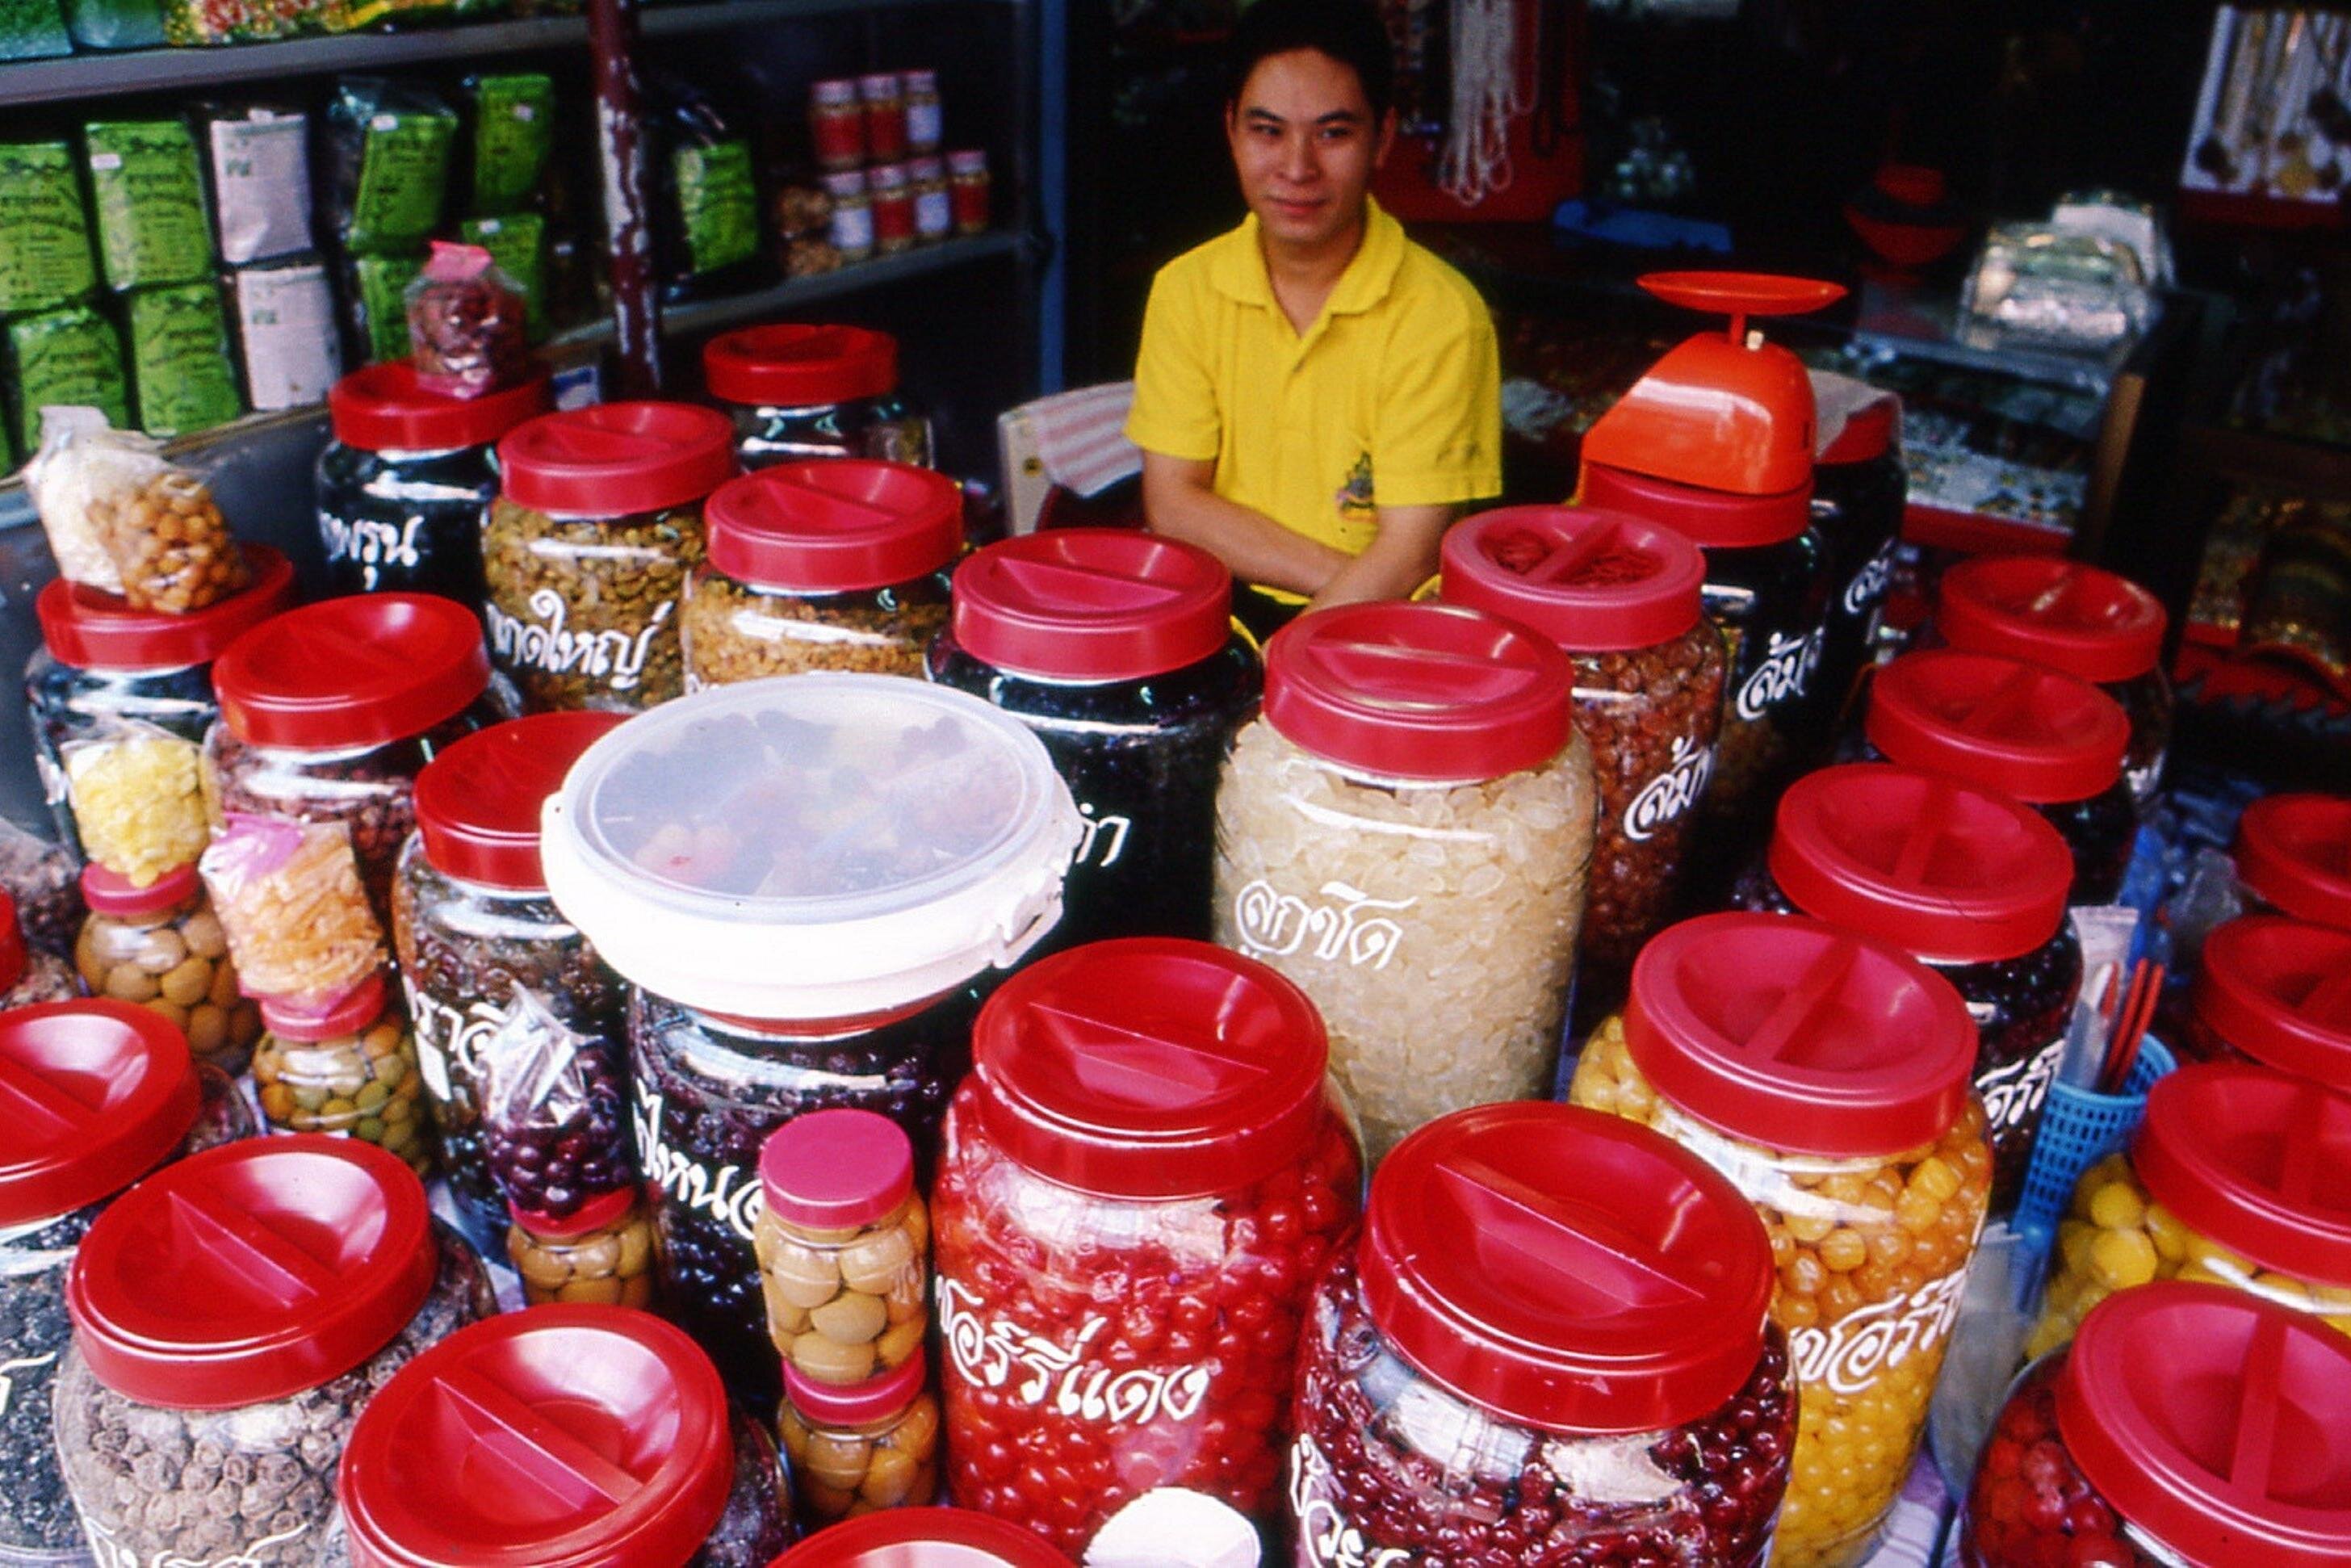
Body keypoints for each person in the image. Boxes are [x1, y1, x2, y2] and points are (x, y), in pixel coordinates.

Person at [1125, 0, 1502, 636]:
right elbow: (1173, 503)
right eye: (1268, 131)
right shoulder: (1185, 290)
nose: (1297, 168)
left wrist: (1281, 668)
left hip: (1379, 625)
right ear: (1232, 131)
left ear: (1383, 138)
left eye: (1333, 134)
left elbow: (1411, 552)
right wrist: (1329, 592)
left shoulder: (1441, 315)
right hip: (1220, 601)